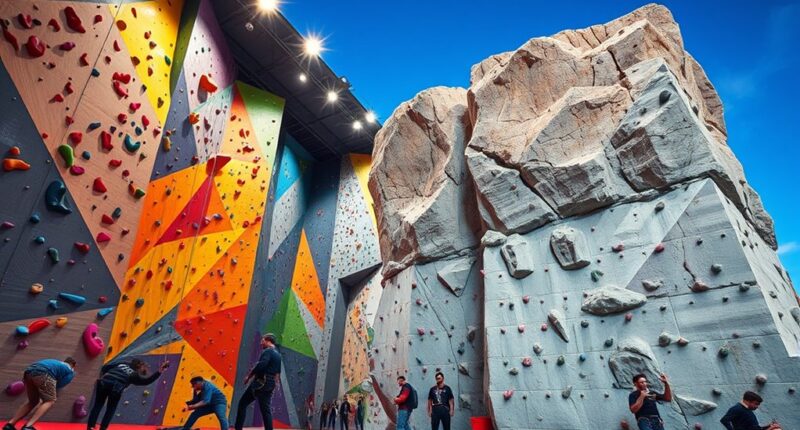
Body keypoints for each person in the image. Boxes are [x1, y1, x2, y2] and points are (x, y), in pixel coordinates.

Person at [87, 358, 170, 430]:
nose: (143, 369)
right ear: (139, 366)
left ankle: (90, 427)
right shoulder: (134, 374)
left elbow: (105, 368)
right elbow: (146, 381)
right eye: (142, 367)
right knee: (110, 409)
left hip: (104, 382)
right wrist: (159, 371)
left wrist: (105, 377)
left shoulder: (122, 364)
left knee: (97, 405)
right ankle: (103, 428)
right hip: (116, 387)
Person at [3, 357, 76, 430]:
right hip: (44, 373)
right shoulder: (70, 370)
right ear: (73, 365)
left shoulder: (57, 363)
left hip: (29, 372)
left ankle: (10, 425)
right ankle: (28, 426)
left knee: (33, 401)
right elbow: (59, 385)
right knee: (50, 401)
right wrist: (46, 395)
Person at [235, 333, 282, 430]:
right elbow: (277, 372)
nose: (261, 343)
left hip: (261, 383)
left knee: (242, 403)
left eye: (262, 340)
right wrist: (274, 385)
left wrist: (249, 376)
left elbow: (261, 364)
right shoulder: (278, 355)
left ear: (268, 341)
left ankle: (238, 428)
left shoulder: (267, 351)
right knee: (266, 410)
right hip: (270, 384)